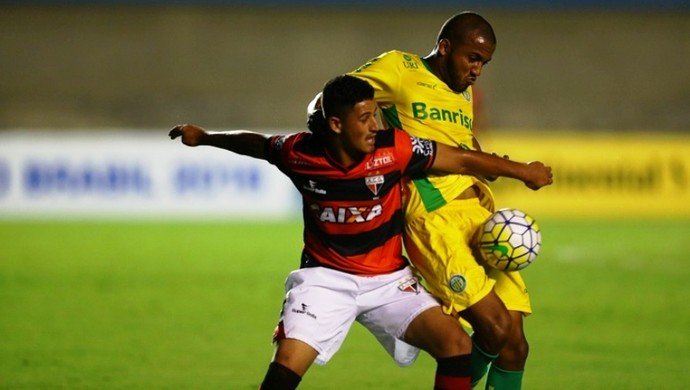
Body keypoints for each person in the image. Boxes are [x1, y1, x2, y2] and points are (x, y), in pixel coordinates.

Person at [170, 75, 552, 389]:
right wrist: (204, 137)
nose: (375, 126)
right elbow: (256, 144)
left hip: (389, 282)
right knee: (286, 366)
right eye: (365, 118)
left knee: (455, 345)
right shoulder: (300, 153)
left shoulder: (395, 149)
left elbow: (462, 158)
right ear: (336, 124)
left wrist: (522, 171)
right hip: (325, 280)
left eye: (375, 115)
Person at [338, 11, 538, 389]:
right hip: (433, 218)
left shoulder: (462, 91)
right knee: (493, 329)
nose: (477, 70)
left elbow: (460, 142)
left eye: (484, 63)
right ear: (445, 47)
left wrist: (490, 164)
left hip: (479, 216)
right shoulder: (400, 68)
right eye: (472, 58)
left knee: (515, 345)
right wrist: (361, 140)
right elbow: (336, 98)